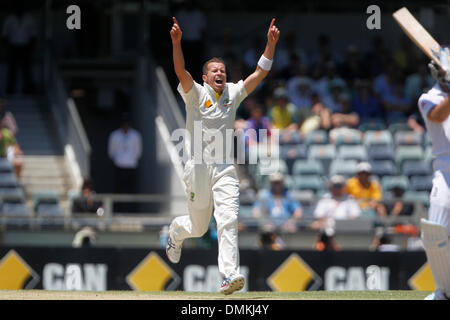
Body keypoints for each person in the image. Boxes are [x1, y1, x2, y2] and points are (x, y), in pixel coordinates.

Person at [166, 17, 280, 295]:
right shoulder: (195, 93)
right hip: (198, 167)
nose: (221, 73)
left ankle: (229, 276)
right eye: (215, 70)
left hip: (225, 168)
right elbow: (180, 70)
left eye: (223, 70)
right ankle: (175, 232)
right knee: (199, 226)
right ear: (205, 77)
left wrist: (270, 44)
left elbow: (258, 74)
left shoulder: (232, 92)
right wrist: (177, 42)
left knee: (228, 220)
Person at [415, 56, 450, 300]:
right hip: (446, 171)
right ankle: (443, 291)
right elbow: (437, 117)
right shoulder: (429, 98)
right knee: (436, 231)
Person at [2, 1, 37, 94]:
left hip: (25, 47)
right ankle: (10, 90)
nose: (19, 9)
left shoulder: (29, 18)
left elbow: (33, 35)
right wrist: (6, 49)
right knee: (12, 70)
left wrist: (31, 49)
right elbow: (5, 35)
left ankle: (27, 89)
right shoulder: (10, 19)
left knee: (26, 70)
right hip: (13, 47)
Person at [108, 113, 142, 196]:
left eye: (127, 123)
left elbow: (138, 152)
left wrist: (131, 159)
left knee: (131, 189)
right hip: (119, 165)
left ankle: (131, 208)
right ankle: (118, 208)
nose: (125, 125)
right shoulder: (114, 135)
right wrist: (118, 159)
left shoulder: (136, 135)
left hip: (131, 165)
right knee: (118, 189)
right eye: (124, 123)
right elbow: (111, 151)